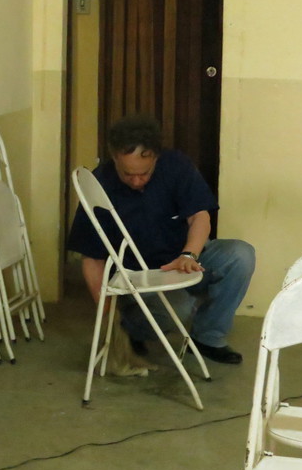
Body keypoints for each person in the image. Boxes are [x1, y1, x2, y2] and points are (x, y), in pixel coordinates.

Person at [68, 114, 255, 366]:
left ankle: (207, 337)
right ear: (114, 158)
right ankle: (133, 329)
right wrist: (109, 319)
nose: (136, 181)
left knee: (240, 256)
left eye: (144, 173)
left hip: (182, 260)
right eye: (127, 174)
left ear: (156, 157)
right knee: (179, 308)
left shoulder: (176, 166)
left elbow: (200, 216)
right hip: (140, 278)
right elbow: (92, 259)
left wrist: (189, 254)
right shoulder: (99, 184)